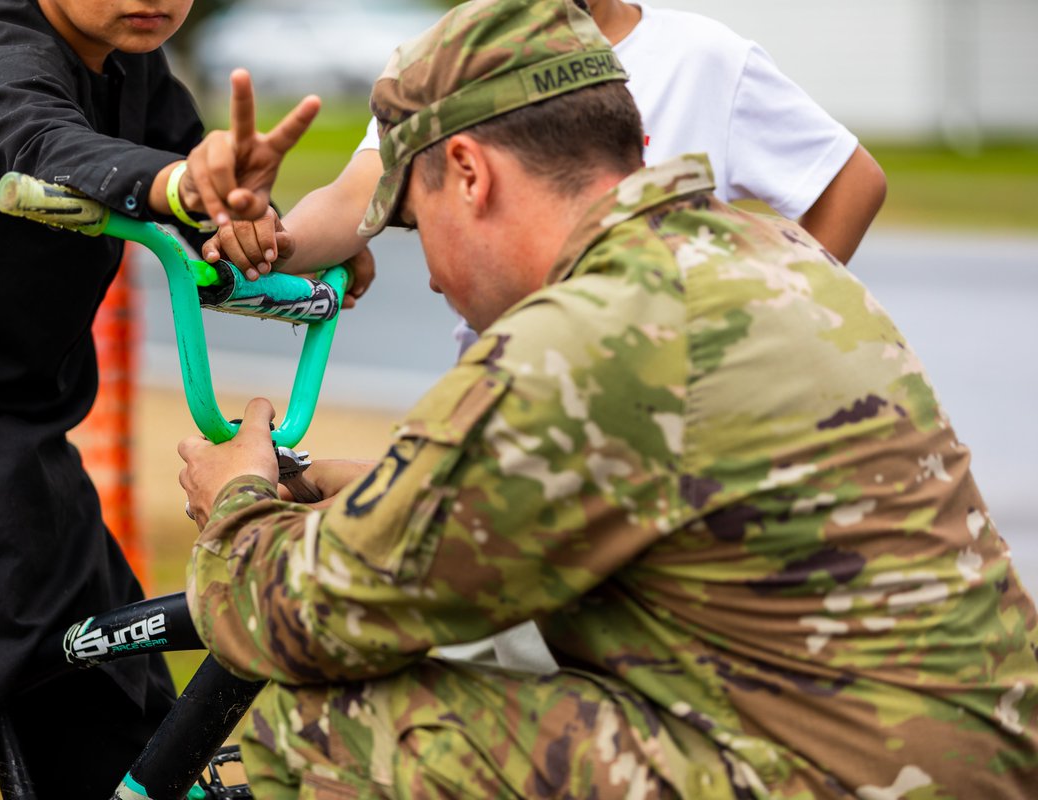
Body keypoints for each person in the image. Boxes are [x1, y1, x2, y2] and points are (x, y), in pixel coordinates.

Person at [177, 0, 1038, 796]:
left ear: (469, 174)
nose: (430, 270)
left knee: (327, 725)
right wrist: (394, 492)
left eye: (411, 217)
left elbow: (295, 616)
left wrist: (238, 500)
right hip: (958, 753)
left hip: (840, 774)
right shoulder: (762, 252)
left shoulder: (580, 340)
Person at [0, 0, 318, 795]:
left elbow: (200, 196)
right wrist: (171, 182)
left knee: (141, 754)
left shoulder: (136, 72)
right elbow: (39, 142)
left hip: (33, 468)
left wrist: (257, 226)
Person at [204, 0, 886, 298]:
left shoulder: (702, 56)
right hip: (520, 396)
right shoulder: (452, 55)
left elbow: (850, 181)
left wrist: (769, 309)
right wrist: (274, 238)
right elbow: (359, 196)